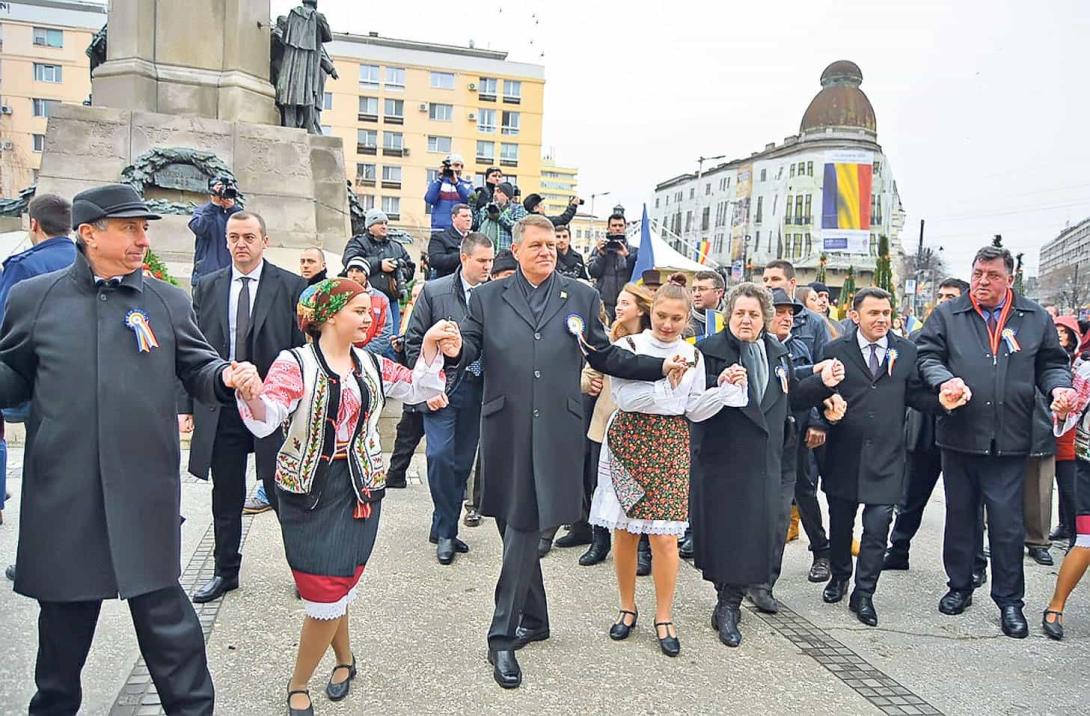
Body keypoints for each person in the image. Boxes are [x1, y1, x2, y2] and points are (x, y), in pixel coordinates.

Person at [0, 183, 262, 715]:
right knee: (60, 647)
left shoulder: (164, 300)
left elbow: (198, 365)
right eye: (130, 228)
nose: (143, 239)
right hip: (65, 496)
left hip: (142, 491)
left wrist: (226, 377)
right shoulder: (37, 297)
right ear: (88, 234)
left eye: (145, 228)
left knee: (172, 633)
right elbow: (12, 378)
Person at [454, 214, 688, 688]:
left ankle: (500, 637)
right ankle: (536, 621)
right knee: (512, 527)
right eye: (536, 244)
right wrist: (451, 346)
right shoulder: (487, 298)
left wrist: (659, 367)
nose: (546, 251)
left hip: (558, 427)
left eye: (551, 245)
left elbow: (604, 354)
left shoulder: (579, 295)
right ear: (516, 250)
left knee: (522, 527)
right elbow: (469, 348)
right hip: (506, 425)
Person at [237, 277, 453, 714]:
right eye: (359, 310)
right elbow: (268, 414)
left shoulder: (371, 364)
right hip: (308, 492)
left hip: (360, 488)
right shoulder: (295, 363)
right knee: (325, 588)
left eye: (369, 309)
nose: (370, 316)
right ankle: (321, 670)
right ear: (330, 315)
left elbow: (420, 387)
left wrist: (429, 343)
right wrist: (253, 392)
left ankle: (317, 674)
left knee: (336, 583)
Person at [916, 245, 1075, 638]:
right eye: (977, 274)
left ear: (1010, 278)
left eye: (992, 275)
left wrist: (1058, 389)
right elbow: (926, 355)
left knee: (1006, 526)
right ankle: (960, 586)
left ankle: (1009, 601)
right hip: (960, 434)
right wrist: (944, 380)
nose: (983, 282)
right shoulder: (949, 314)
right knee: (960, 519)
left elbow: (1053, 364)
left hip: (1010, 440)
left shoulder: (1033, 318)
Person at [590, 275, 748, 657]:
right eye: (661, 315)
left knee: (664, 537)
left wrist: (722, 390)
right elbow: (625, 395)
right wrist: (664, 377)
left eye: (677, 318)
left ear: (687, 319)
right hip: (629, 439)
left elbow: (692, 408)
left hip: (670, 443)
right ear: (651, 311)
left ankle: (664, 615)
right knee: (625, 532)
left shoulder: (693, 355)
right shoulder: (629, 345)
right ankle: (628, 608)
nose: (667, 324)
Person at [691, 282, 842, 648]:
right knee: (725, 534)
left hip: (764, 458)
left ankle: (729, 603)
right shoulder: (709, 351)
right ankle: (725, 600)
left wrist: (822, 385)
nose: (746, 320)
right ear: (728, 314)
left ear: (765, 319)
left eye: (754, 314)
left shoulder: (776, 352)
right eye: (740, 313)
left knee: (755, 533)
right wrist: (719, 383)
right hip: (723, 458)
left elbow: (788, 399)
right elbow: (695, 401)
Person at [183, 211, 309, 604]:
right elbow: (192, 351)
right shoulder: (206, 287)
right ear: (225, 241)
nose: (241, 244)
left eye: (249, 237)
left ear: (264, 241)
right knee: (227, 494)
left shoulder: (291, 286)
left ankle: (303, 572)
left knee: (283, 491)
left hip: (272, 411)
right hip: (222, 409)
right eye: (234, 237)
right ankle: (225, 570)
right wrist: (186, 404)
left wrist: (297, 406)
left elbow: (302, 352)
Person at [818, 288, 954, 627]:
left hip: (887, 456)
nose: (881, 319)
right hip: (844, 453)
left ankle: (864, 593)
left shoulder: (905, 351)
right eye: (873, 313)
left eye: (886, 313)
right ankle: (839, 576)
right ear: (855, 316)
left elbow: (916, 395)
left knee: (878, 528)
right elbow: (822, 392)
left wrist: (942, 402)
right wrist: (826, 412)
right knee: (840, 524)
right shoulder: (836, 350)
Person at [405, 233, 494, 564]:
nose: (488, 266)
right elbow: (414, 342)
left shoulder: (494, 295)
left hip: (477, 392)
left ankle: (443, 522)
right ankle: (446, 532)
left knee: (460, 463)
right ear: (464, 258)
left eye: (490, 260)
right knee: (440, 456)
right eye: (482, 261)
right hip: (441, 391)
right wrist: (428, 388)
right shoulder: (434, 291)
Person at [884, 279, 978, 577]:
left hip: (963, 429)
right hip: (924, 427)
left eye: (950, 296)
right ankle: (898, 549)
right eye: (940, 295)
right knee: (910, 497)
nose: (942, 300)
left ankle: (975, 563)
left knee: (965, 503)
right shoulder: (918, 335)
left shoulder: (976, 339)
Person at [749, 287, 829, 612]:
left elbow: (798, 387)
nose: (787, 318)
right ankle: (740, 580)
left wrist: (823, 404)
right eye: (780, 312)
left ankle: (765, 583)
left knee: (784, 513)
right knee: (753, 516)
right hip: (753, 446)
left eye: (791, 313)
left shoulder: (791, 349)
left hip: (789, 443)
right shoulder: (748, 350)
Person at [0, 194, 77, 528]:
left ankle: (39, 560)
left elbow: (6, 329)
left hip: (37, 388)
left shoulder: (23, 267)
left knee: (41, 474)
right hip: (82, 387)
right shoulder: (88, 260)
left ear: (34, 223)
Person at [576, 285, 654, 566]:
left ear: (642, 308)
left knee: (640, 488)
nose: (618, 308)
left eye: (625, 303)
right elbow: (587, 375)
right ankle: (599, 542)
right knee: (599, 484)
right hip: (605, 423)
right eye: (618, 303)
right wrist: (589, 383)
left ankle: (643, 549)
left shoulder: (654, 342)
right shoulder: (607, 339)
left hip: (642, 427)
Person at [1043, 337, 1090, 640]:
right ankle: (1055, 606)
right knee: (1086, 540)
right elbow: (1069, 413)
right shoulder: (1085, 368)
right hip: (1088, 464)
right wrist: (1061, 409)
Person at [341, 208, 415, 334]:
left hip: (391, 301)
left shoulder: (396, 246)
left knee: (391, 337)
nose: (384, 226)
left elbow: (410, 267)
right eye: (380, 223)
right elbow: (351, 261)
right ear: (369, 226)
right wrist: (380, 264)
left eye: (386, 223)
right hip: (364, 299)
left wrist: (399, 274)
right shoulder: (357, 242)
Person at [1051, 315, 1082, 544]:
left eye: (1064, 332)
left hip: (1071, 430)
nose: (1060, 335)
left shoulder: (1080, 363)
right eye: (1057, 331)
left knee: (1070, 486)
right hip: (1049, 427)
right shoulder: (1049, 359)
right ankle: (1063, 525)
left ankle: (1076, 534)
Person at [762, 260, 830, 362]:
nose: (768, 284)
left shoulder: (815, 322)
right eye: (765, 280)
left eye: (775, 279)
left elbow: (823, 364)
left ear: (792, 283)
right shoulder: (757, 317)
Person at [188, 175, 241, 285]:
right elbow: (199, 228)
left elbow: (247, 231)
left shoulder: (237, 214)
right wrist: (214, 206)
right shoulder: (202, 211)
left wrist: (232, 209)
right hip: (206, 276)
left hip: (232, 275)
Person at [588, 213, 638, 319]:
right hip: (604, 302)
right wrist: (601, 255)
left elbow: (636, 275)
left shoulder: (633, 250)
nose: (617, 229)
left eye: (620, 225)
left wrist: (627, 256)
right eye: (614, 226)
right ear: (608, 228)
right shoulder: (600, 248)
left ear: (625, 227)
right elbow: (593, 272)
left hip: (626, 302)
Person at [344, 257, 393, 358]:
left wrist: (363, 354)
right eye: (350, 271)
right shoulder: (339, 297)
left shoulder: (381, 298)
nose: (353, 275)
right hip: (342, 354)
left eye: (358, 271)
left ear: (366, 274)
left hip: (370, 356)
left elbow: (385, 332)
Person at [424, 153, 474, 234]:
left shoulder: (467, 184)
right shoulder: (437, 183)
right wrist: (440, 178)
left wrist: (457, 184)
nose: (459, 169)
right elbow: (429, 199)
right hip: (439, 229)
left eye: (461, 166)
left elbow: (469, 200)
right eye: (456, 165)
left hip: (459, 229)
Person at [475, 182, 527, 252]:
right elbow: (477, 226)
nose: (495, 195)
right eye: (494, 192)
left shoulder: (517, 209)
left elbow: (519, 229)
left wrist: (499, 217)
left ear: (507, 196)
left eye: (499, 192)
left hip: (506, 256)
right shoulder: (486, 208)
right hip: (486, 254)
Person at [427, 203, 473, 278]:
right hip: (448, 282)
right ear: (454, 217)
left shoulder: (476, 239)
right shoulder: (439, 237)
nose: (468, 219)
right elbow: (436, 261)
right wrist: (463, 256)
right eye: (464, 216)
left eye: (470, 216)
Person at [687, 270, 726, 339]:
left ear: (719, 293)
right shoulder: (684, 321)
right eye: (693, 289)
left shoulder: (731, 320)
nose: (696, 294)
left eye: (702, 289)